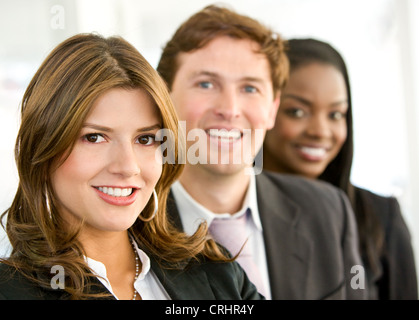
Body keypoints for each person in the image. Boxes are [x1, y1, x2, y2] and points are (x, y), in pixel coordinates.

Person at [0, 33, 263, 300]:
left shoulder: (215, 273)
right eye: (94, 137)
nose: (128, 167)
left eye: (145, 139)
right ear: (43, 147)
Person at [157, 4, 366, 299]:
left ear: (272, 109)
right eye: (206, 83)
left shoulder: (328, 212)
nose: (229, 109)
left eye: (250, 88)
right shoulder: (125, 229)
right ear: (164, 98)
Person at [263, 38, 418, 299]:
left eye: (335, 114)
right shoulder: (237, 216)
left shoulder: (379, 216)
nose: (320, 131)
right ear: (265, 111)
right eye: (297, 112)